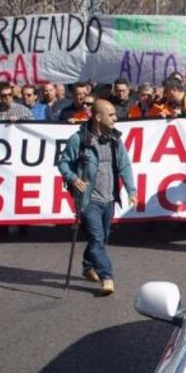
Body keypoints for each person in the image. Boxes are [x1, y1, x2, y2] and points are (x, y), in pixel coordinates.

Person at [57, 100, 138, 296]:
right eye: (111, 115)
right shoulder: (79, 140)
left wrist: (131, 191)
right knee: (97, 239)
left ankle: (87, 266)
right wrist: (73, 178)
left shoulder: (114, 139)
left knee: (102, 238)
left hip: (109, 198)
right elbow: (63, 163)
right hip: (88, 200)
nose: (115, 118)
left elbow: (124, 165)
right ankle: (106, 277)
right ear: (98, 117)